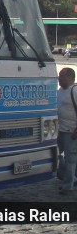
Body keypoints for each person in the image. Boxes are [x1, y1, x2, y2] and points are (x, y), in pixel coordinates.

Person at [57, 67, 77, 195]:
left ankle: (68, 186)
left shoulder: (74, 91)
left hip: (71, 132)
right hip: (59, 130)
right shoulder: (60, 91)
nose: (59, 78)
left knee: (70, 159)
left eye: (61, 76)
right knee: (56, 155)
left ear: (69, 77)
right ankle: (70, 178)